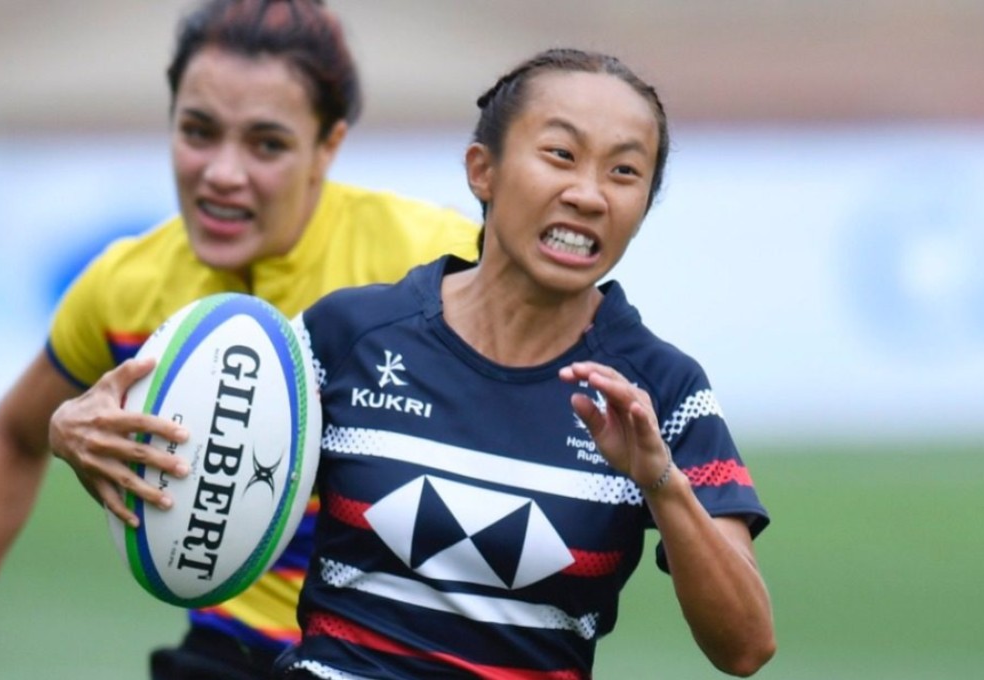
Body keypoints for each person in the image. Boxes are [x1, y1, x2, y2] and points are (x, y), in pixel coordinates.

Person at [0, 0, 478, 677]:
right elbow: (11, 438)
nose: (223, 173)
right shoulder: (127, 284)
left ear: (329, 146)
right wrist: (66, 428)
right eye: (199, 131)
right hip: (226, 655)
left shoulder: (441, 268)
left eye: (266, 143)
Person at [273, 48, 777, 679]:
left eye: (624, 171)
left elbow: (746, 647)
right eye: (561, 155)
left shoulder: (662, 391)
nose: (589, 195)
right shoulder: (346, 336)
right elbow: (197, 467)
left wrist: (661, 480)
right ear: (482, 170)